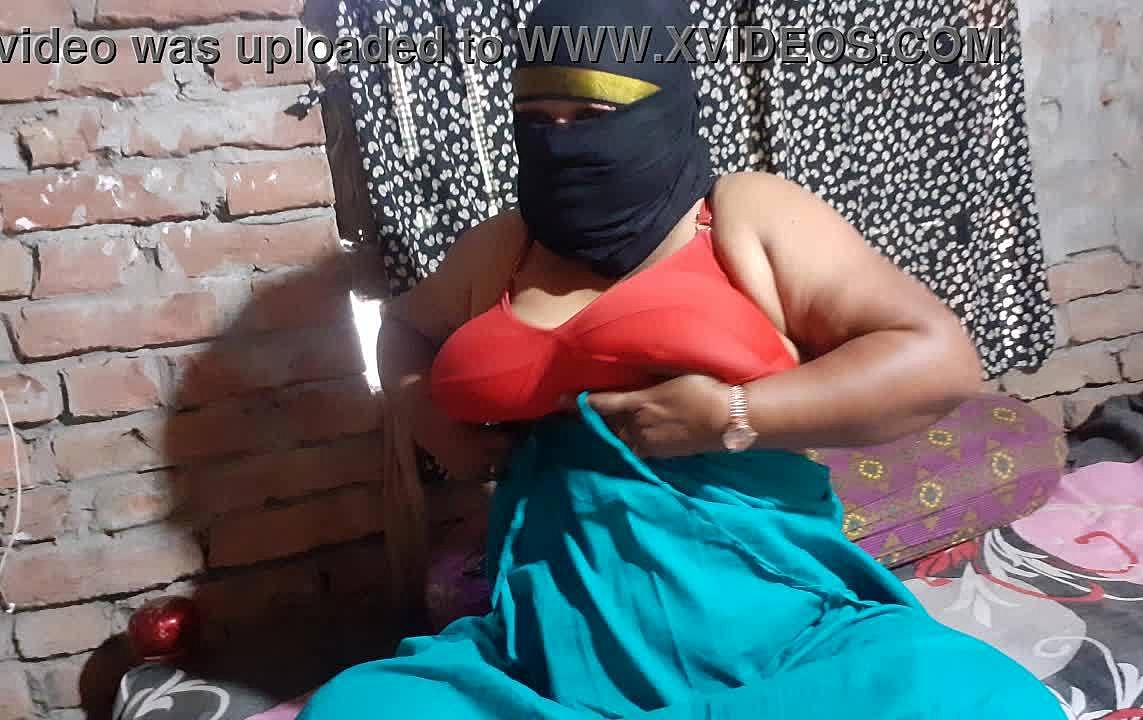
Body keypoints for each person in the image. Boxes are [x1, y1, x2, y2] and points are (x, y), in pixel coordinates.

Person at [299, 0, 1066, 717]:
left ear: (663, 104)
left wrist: (732, 414)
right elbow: (403, 329)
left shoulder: (742, 215)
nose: (562, 142)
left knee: (979, 698)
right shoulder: (507, 246)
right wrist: (436, 423)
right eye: (536, 119)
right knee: (352, 708)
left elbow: (939, 359)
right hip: (546, 646)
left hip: (774, 632)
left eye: (593, 115)